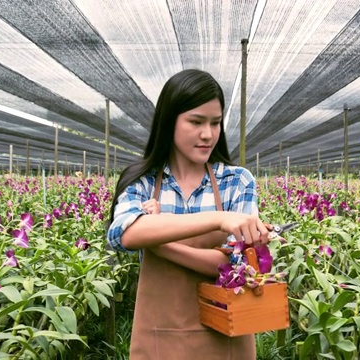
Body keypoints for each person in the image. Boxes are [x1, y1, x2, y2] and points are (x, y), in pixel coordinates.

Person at [107, 69, 269, 360]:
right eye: (196, 122)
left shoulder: (237, 181)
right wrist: (220, 219)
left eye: (215, 123)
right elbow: (125, 234)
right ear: (169, 122)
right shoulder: (142, 181)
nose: (208, 134)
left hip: (226, 339)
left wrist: (157, 239)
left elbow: (237, 266)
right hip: (160, 339)